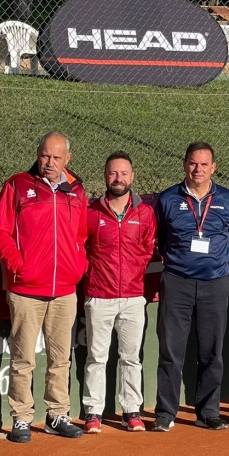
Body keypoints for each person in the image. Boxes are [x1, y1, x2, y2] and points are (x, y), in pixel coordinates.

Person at [0, 132, 88, 443]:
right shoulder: (17, 185)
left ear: (67, 159)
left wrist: (78, 264)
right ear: (37, 153)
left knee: (60, 358)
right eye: (45, 156)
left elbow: (81, 235)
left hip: (64, 290)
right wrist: (18, 265)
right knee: (23, 359)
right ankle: (21, 418)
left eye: (57, 157)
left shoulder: (77, 190)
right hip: (26, 290)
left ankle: (57, 414)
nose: (50, 163)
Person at [153, 142, 229, 432]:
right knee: (170, 352)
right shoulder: (168, 199)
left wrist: (215, 262)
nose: (198, 169)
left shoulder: (227, 200)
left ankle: (208, 412)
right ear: (184, 164)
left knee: (212, 352)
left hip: (215, 283)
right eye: (193, 163)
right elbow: (161, 238)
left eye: (204, 164)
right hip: (177, 282)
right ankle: (166, 412)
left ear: (213, 167)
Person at [82, 151, 157, 434]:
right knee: (97, 357)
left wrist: (136, 269)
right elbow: (82, 247)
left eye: (124, 173)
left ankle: (131, 410)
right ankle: (93, 412)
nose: (118, 178)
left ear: (132, 177)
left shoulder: (145, 213)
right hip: (99, 295)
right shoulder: (91, 212)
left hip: (133, 296)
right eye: (113, 173)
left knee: (131, 357)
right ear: (105, 176)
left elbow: (149, 247)